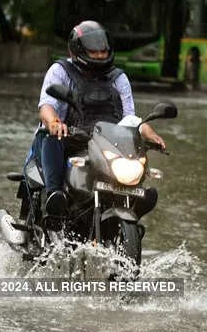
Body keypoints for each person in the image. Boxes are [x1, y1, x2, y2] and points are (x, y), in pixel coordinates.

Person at [26, 20, 165, 230]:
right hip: (66, 138)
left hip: (102, 143)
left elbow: (130, 119)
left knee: (136, 150)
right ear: (77, 52)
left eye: (103, 51)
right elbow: (46, 106)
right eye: (94, 52)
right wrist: (55, 123)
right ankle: (56, 195)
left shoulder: (118, 78)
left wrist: (149, 133)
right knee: (51, 136)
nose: (100, 55)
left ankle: (135, 197)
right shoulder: (60, 71)